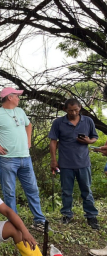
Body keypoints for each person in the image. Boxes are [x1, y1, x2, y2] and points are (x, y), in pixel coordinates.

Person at [0, 87, 47, 231]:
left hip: (25, 158)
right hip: (7, 160)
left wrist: (28, 141)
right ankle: (15, 224)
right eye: (17, 96)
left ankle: (39, 221)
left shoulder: (19, 111)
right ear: (9, 97)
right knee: (10, 193)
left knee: (32, 189)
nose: (19, 98)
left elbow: (29, 125)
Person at [48, 98, 99, 229]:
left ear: (80, 108)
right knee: (66, 191)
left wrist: (88, 141)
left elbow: (95, 137)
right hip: (65, 163)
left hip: (83, 162)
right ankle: (66, 214)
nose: (73, 113)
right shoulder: (58, 122)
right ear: (65, 110)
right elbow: (53, 141)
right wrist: (53, 160)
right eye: (70, 111)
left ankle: (91, 216)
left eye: (76, 110)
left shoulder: (88, 121)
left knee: (86, 190)